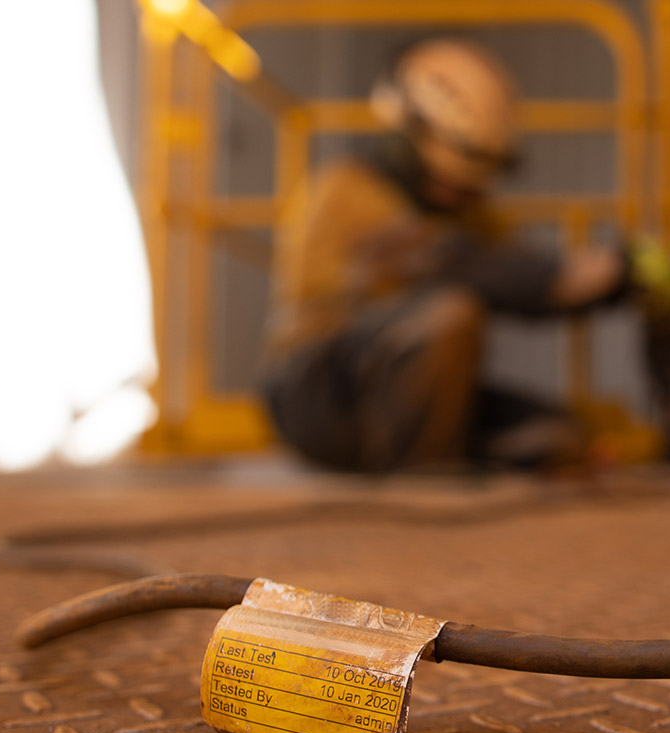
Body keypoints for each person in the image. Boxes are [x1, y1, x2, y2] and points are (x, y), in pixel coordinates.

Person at [260, 38, 631, 472]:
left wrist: (626, 281)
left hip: (406, 403)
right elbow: (473, 266)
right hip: (318, 397)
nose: (460, 194)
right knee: (451, 314)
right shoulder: (346, 193)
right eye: (450, 182)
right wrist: (605, 271)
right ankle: (425, 488)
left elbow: (523, 270)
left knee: (558, 438)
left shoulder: (462, 215)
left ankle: (436, 465)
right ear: (408, 139)